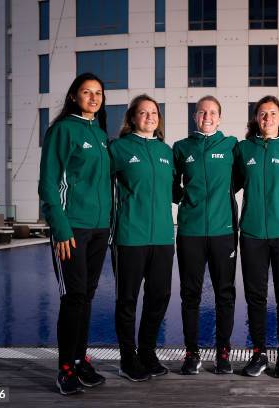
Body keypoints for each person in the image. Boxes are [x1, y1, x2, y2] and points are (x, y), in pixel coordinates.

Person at [39, 73, 111, 395]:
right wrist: (61, 226)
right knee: (73, 297)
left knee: (87, 296)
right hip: (72, 229)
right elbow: (48, 183)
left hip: (98, 229)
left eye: (98, 93)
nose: (94, 98)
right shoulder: (63, 130)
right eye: (87, 92)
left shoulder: (100, 134)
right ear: (74, 96)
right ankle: (65, 369)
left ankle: (81, 362)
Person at [234, 95, 279, 378]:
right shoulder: (243, 149)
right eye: (262, 114)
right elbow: (233, 184)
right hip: (251, 234)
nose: (267, 118)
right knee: (255, 297)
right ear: (255, 119)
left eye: (272, 113)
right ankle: (259, 353)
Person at [109, 94, 175, 382]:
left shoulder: (166, 151)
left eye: (154, 113)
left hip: (162, 237)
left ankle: (147, 352)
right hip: (130, 236)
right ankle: (127, 357)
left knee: (159, 296)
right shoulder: (119, 149)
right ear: (132, 117)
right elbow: (99, 185)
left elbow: (176, 191)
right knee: (128, 299)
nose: (150, 117)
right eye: (144, 112)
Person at [172, 96, 239, 375]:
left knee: (225, 294)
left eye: (212, 112)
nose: (207, 116)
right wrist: (189, 201)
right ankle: (192, 352)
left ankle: (223, 352)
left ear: (220, 117)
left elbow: (241, 179)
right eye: (201, 112)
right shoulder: (181, 148)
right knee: (191, 295)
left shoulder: (232, 145)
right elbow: (171, 184)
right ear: (194, 117)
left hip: (224, 232)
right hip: (191, 232)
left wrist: (222, 198)